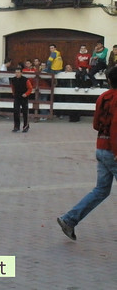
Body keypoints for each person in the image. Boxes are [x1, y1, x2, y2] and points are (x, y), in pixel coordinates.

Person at [57, 66, 117, 241]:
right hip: (113, 150)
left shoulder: (103, 97)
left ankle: (69, 219)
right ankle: (69, 219)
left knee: (100, 190)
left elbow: (96, 125)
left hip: (101, 147)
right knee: (100, 191)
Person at [10, 67, 33, 132]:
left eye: (18, 72)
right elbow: (13, 87)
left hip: (24, 97)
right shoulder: (13, 80)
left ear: (21, 73)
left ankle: (26, 126)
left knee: (25, 112)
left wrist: (26, 94)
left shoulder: (26, 80)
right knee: (16, 111)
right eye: (16, 72)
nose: (17, 74)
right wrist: (14, 94)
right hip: (17, 97)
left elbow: (30, 88)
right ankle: (16, 126)